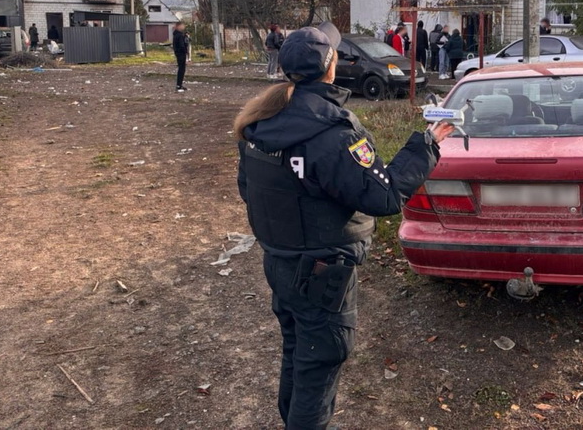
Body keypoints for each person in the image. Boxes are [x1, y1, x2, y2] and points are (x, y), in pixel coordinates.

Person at [233, 22, 452, 430]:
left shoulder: (259, 123)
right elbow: (383, 195)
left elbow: (249, 190)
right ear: (331, 67)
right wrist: (427, 143)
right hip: (320, 271)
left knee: (298, 351)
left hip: (281, 262)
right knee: (319, 360)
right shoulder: (333, 132)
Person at [172, 22, 190, 92]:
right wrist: (185, 51)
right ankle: (179, 85)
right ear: (178, 26)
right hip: (181, 54)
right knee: (181, 69)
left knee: (181, 69)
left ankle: (179, 84)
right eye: (182, 26)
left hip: (178, 53)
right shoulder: (179, 35)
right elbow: (182, 45)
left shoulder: (176, 35)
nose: (183, 27)